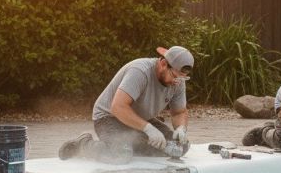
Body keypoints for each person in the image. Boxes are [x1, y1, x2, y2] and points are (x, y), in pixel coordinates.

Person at [58, 45, 194, 163]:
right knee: (120, 155)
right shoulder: (140, 71)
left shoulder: (178, 81)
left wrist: (181, 129)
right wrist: (148, 129)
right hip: (109, 118)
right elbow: (118, 107)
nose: (177, 82)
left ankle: (132, 144)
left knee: (179, 147)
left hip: (140, 120)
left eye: (182, 78)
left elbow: (179, 112)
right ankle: (83, 143)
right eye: (175, 76)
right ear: (164, 64)